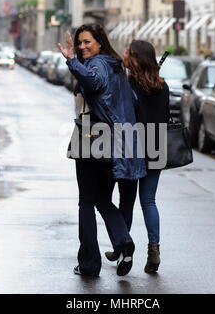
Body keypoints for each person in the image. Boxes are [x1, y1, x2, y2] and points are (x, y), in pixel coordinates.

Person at [57, 24, 147, 277]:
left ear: (100, 42)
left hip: (94, 137)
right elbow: (133, 102)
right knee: (101, 199)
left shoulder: (97, 65)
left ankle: (89, 264)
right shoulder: (116, 66)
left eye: (87, 42)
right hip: (117, 142)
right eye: (80, 43)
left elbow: (94, 83)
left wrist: (72, 61)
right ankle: (123, 241)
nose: (83, 47)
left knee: (86, 201)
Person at [105, 40, 170, 273]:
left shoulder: (127, 84)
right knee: (149, 201)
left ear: (135, 58)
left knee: (127, 201)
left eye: (127, 52)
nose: (123, 54)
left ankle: (122, 246)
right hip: (156, 146)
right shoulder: (162, 86)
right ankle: (154, 250)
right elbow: (163, 117)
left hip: (132, 147)